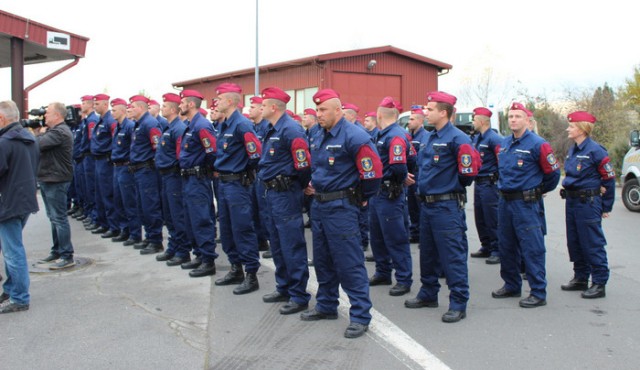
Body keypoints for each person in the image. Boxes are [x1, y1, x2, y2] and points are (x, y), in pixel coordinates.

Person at [301, 88, 382, 339]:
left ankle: (360, 315)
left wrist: (359, 198)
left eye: (323, 109)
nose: (319, 114)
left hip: (342, 207)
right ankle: (326, 305)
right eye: (317, 109)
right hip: (320, 205)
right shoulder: (316, 133)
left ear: (338, 110)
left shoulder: (355, 136)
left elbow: (373, 174)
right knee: (323, 260)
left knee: (349, 262)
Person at [404, 91, 480, 323]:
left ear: (443, 112)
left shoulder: (458, 139)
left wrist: (449, 187)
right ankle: (428, 293)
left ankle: (458, 302)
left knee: (452, 256)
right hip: (426, 205)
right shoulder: (429, 137)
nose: (425, 113)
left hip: (446, 205)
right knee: (427, 253)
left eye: (429, 109)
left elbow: (468, 173)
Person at [491, 102, 560, 308]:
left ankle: (538, 292)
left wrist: (538, 190)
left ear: (527, 121)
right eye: (510, 116)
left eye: (518, 116)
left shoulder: (538, 144)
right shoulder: (503, 144)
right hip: (505, 202)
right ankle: (511, 284)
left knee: (532, 247)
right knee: (506, 245)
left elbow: (553, 174)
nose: (513, 119)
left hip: (526, 204)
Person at [258, 86, 312, 315]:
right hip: (272, 193)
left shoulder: (291, 129)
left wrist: (297, 186)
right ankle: (284, 287)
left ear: (273, 107)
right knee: (278, 244)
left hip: (286, 193)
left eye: (262, 105)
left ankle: (299, 295)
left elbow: (303, 165)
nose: (260, 108)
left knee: (291, 245)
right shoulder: (272, 128)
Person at [213, 83, 263, 293]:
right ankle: (236, 268)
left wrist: (244, 172)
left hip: (237, 184)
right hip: (224, 183)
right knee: (226, 229)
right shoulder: (225, 124)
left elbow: (255, 154)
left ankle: (251, 274)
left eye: (220, 98)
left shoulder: (241, 124)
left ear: (231, 101)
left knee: (242, 228)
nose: (216, 102)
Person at [560, 111, 615, 299]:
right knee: (574, 241)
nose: (568, 129)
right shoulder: (573, 149)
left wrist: (606, 206)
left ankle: (599, 282)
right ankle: (581, 277)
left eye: (572, 126)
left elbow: (609, 178)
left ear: (582, 129)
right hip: (573, 201)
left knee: (592, 243)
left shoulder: (595, 150)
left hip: (588, 202)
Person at [368, 97, 413, 297]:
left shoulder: (395, 135)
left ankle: (403, 279)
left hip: (390, 193)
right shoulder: (381, 134)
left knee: (395, 238)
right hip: (378, 194)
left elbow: (399, 165)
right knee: (377, 237)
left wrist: (402, 178)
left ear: (379, 115)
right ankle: (383, 272)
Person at [0, 100, 39, 314]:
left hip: (8, 202)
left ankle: (20, 297)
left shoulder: (4, 142)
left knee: (13, 251)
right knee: (12, 248)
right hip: (24, 201)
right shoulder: (30, 138)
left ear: (1, 119)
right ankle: (11, 288)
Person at [177, 89, 219, 277]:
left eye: (182, 102)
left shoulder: (201, 125)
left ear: (191, 104)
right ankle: (200, 254)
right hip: (189, 178)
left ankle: (208, 260)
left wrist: (206, 170)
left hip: (198, 178)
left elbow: (212, 152)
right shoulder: (191, 125)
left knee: (201, 218)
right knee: (191, 218)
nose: (180, 105)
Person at [33, 102, 76, 270]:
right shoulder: (53, 132)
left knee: (59, 218)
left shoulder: (60, 132)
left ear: (57, 115)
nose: (45, 116)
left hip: (56, 179)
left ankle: (67, 254)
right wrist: (38, 132)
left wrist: (38, 134)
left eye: (48, 113)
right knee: (53, 217)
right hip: (49, 178)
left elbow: (36, 145)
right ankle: (57, 250)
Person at [153, 93, 191, 267]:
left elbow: (180, 155)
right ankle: (173, 247)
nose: (162, 108)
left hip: (174, 176)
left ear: (174, 109)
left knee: (177, 215)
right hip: (165, 176)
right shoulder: (169, 127)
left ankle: (183, 251)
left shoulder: (178, 129)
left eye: (165, 106)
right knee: (168, 215)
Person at [128, 95, 164, 255]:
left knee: (150, 205)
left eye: (133, 106)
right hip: (138, 170)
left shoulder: (150, 123)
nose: (130, 109)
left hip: (147, 170)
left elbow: (158, 148)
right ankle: (150, 236)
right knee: (142, 205)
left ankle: (156, 240)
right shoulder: (138, 124)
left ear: (141, 108)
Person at [469, 107, 503, 265]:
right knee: (480, 216)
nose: (473, 123)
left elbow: (502, 162)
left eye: (475, 120)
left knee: (492, 217)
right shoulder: (477, 138)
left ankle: (497, 249)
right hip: (479, 182)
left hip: (490, 183)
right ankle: (486, 245)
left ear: (482, 121)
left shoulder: (494, 139)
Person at [109, 98, 141, 246]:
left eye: (114, 110)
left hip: (126, 167)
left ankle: (135, 234)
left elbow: (133, 148)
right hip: (117, 167)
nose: (112, 113)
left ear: (122, 110)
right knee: (119, 200)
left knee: (129, 202)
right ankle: (124, 229)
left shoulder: (129, 126)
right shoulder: (118, 126)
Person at [89, 94, 119, 238]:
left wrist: (111, 158)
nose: (95, 106)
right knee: (99, 193)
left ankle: (113, 226)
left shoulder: (110, 120)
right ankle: (103, 222)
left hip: (106, 161)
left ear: (105, 104)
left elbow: (115, 140)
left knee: (108, 194)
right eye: (94, 104)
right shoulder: (101, 120)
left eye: (97, 104)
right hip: (98, 160)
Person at [247, 95, 271, 255]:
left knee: (265, 210)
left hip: (264, 174)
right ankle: (260, 239)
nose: (250, 110)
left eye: (253, 107)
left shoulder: (267, 127)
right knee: (254, 209)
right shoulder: (253, 127)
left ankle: (270, 240)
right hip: (255, 174)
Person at [405, 107, 428, 244]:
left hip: (418, 173)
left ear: (420, 120)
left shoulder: (424, 136)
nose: (409, 122)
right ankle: (415, 232)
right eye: (409, 119)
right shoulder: (410, 136)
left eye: (412, 119)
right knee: (411, 206)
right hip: (410, 173)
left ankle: (423, 235)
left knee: (420, 206)